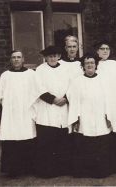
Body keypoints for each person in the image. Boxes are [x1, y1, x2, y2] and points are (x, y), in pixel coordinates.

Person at [0, 50, 44, 177]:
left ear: (23, 59)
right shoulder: (5, 75)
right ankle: (13, 170)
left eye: (19, 57)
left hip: (26, 112)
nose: (16, 60)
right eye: (13, 57)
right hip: (10, 113)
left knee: (27, 138)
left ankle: (29, 168)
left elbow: (38, 92)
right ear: (10, 60)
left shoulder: (31, 74)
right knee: (11, 139)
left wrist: (35, 111)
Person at [67, 53, 116, 178]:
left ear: (96, 65)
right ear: (83, 66)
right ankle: (86, 171)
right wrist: (77, 117)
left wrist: (109, 116)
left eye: (92, 62)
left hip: (101, 116)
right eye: (87, 63)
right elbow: (73, 100)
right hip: (84, 118)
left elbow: (110, 98)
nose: (89, 65)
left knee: (101, 144)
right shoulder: (77, 82)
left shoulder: (104, 80)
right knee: (85, 144)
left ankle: (101, 171)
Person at [34, 46, 73, 178]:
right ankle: (48, 171)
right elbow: (39, 88)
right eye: (49, 56)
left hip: (63, 107)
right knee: (48, 141)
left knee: (62, 140)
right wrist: (54, 99)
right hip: (47, 108)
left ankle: (63, 169)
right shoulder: (40, 70)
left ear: (59, 56)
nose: (52, 58)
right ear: (45, 57)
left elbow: (72, 86)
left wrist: (66, 99)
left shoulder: (65, 69)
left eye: (54, 55)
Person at [95, 40, 116, 172]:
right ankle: (104, 164)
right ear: (97, 51)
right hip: (100, 103)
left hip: (115, 101)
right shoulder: (94, 64)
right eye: (102, 48)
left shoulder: (115, 64)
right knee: (103, 132)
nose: (105, 51)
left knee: (115, 132)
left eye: (107, 48)